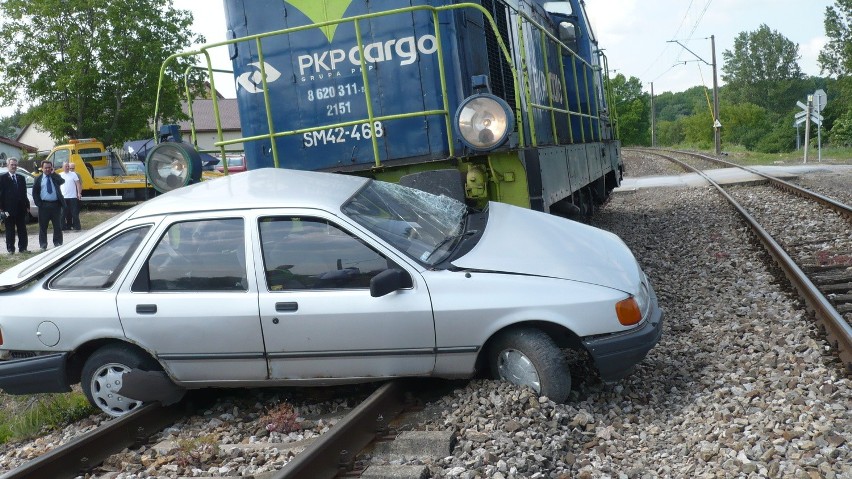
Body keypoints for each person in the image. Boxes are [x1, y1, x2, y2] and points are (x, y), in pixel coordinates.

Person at [32, 160, 65, 250]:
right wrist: (39, 204)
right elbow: (35, 193)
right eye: (45, 168)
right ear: (42, 168)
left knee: (57, 226)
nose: (47, 169)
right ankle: (43, 245)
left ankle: (58, 243)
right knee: (43, 227)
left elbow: (62, 181)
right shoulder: (38, 179)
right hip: (44, 206)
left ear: (51, 168)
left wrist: (53, 174)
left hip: (56, 205)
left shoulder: (55, 176)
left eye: (49, 167)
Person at [0, 158, 31, 253]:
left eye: (15, 165)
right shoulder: (2, 178)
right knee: (10, 230)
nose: (14, 166)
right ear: (7, 166)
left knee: (22, 229)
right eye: (12, 165)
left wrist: (27, 205)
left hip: (21, 208)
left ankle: (23, 248)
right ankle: (10, 249)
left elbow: (24, 193)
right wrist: (1, 208)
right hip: (8, 209)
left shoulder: (21, 178)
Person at [59, 161, 82, 230]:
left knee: (74, 213)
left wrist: (79, 193)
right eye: (66, 166)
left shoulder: (73, 174)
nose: (67, 167)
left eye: (68, 166)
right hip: (64, 197)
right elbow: (57, 185)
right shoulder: (60, 175)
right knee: (63, 214)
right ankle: (63, 227)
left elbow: (78, 184)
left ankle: (77, 227)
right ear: (63, 167)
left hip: (73, 197)